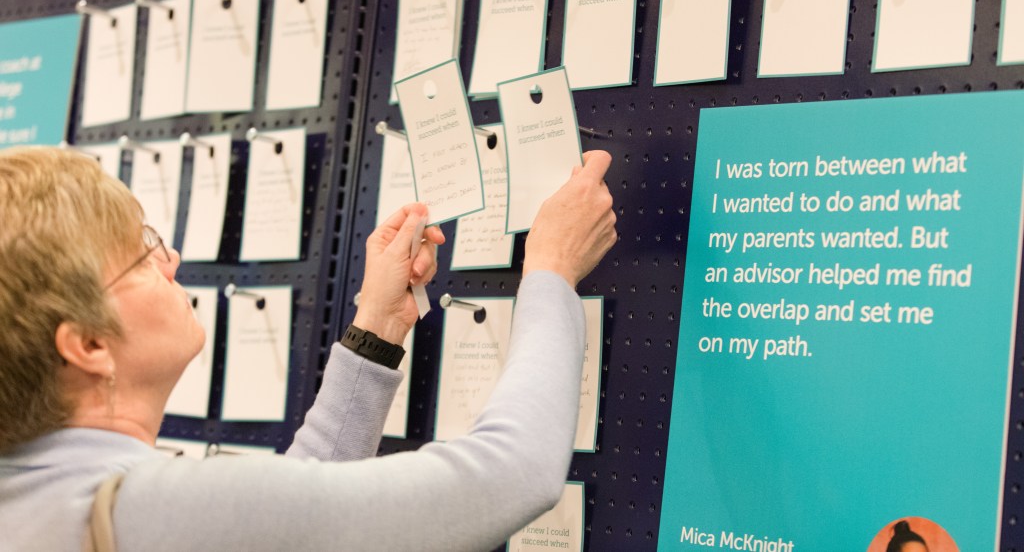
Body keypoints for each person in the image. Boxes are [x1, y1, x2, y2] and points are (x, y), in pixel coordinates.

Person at [0, 145, 616, 551]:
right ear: (86, 344)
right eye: (142, 253)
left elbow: (293, 507)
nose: (171, 261)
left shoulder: (28, 500)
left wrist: (378, 325)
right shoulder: (147, 513)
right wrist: (552, 272)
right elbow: (511, 476)